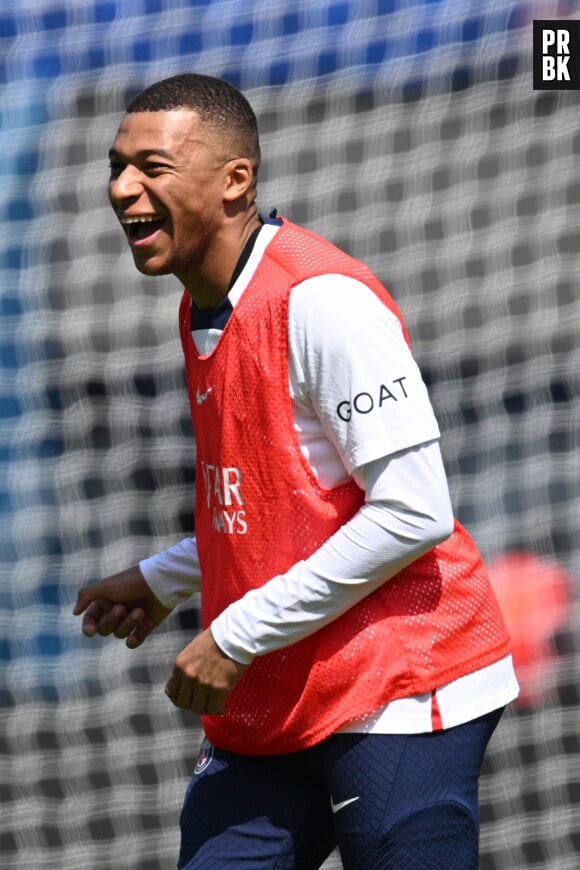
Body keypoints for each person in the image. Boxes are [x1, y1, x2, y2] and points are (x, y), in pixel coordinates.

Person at [73, 73, 518, 869]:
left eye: (152, 167)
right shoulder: (200, 303)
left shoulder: (320, 302)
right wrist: (168, 575)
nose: (122, 188)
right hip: (281, 689)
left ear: (236, 180)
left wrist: (235, 633)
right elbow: (284, 504)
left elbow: (412, 513)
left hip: (401, 685)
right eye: (116, 166)